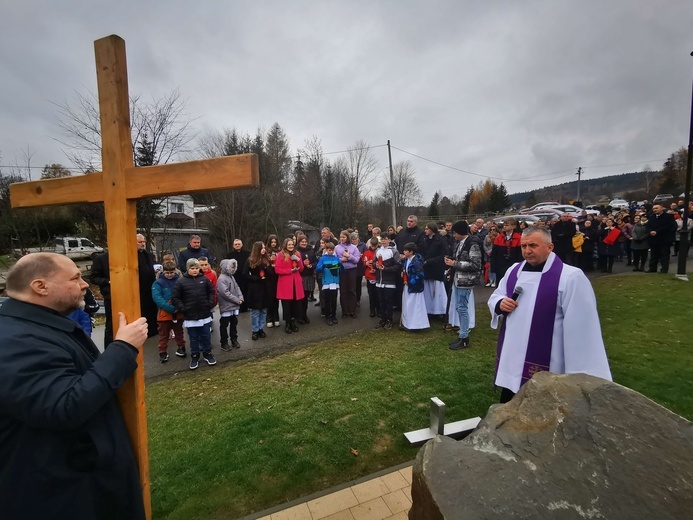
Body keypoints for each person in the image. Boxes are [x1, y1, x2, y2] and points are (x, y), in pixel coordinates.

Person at [0, 253, 148, 520]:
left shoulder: (37, 325)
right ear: (40, 286)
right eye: (75, 277)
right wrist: (123, 349)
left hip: (78, 478)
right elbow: (63, 406)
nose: (83, 284)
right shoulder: (15, 340)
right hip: (59, 493)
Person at [488, 227, 612, 403]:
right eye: (523, 246)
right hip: (513, 355)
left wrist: (580, 375)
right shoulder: (514, 271)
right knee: (510, 402)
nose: (527, 251)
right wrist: (500, 303)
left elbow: (582, 328)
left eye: (533, 245)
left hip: (548, 358)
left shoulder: (570, 277)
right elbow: (497, 295)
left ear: (550, 246)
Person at [90, 234, 158, 344]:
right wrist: (108, 281)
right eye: (140, 242)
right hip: (113, 295)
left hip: (142, 293)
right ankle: (110, 347)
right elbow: (93, 278)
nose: (143, 244)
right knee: (113, 323)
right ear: (108, 244)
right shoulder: (101, 259)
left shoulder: (141, 255)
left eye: (143, 242)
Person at [444, 221, 482, 350]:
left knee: (462, 308)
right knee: (459, 308)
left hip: (466, 281)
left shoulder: (473, 244)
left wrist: (454, 264)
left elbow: (475, 265)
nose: (453, 235)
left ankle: (464, 337)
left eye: (454, 232)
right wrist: (451, 267)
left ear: (459, 232)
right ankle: (462, 336)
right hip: (457, 279)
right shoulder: (459, 244)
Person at [172, 258, 216, 370]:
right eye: (192, 268)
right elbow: (176, 297)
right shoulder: (181, 281)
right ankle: (195, 356)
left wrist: (209, 303)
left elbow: (211, 292)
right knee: (193, 338)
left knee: (206, 336)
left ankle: (207, 353)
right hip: (190, 316)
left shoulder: (204, 279)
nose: (195, 270)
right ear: (188, 269)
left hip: (204, 314)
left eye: (197, 268)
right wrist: (183, 309)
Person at [151, 261, 187, 361]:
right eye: (167, 273)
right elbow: (157, 297)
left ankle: (181, 347)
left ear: (175, 271)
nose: (169, 275)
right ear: (163, 272)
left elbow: (184, 294)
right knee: (164, 334)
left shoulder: (180, 281)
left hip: (178, 311)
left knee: (179, 332)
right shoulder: (158, 283)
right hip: (164, 313)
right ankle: (162, 352)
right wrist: (171, 308)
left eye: (171, 272)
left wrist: (179, 307)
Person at [274, 237, 305, 334]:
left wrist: (299, 260)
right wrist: (289, 271)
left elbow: (301, 269)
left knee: (295, 304)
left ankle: (293, 322)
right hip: (286, 284)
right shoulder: (280, 255)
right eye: (289, 245)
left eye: (292, 244)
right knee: (286, 305)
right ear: (285, 245)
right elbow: (277, 270)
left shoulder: (297, 254)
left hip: (296, 283)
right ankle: (287, 324)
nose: (291, 246)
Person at [243, 241, 271, 341]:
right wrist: (256, 278)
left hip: (265, 287)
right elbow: (245, 274)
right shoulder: (250, 260)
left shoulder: (266, 259)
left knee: (263, 310)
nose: (264, 249)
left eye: (264, 247)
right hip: (255, 288)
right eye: (262, 247)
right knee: (256, 311)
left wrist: (266, 268)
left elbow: (271, 273)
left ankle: (260, 328)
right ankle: (255, 330)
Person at [401, 242, 430, 331]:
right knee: (408, 305)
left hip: (415, 288)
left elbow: (420, 275)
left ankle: (417, 325)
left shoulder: (417, 262)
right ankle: (408, 323)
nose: (404, 252)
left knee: (415, 306)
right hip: (407, 286)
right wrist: (403, 274)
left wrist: (410, 282)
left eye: (406, 250)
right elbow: (406, 270)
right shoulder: (406, 260)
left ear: (411, 252)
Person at [421, 223, 448, 317]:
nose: (425, 230)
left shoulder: (440, 240)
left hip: (436, 269)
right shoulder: (425, 240)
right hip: (427, 269)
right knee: (428, 291)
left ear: (432, 230)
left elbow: (443, 255)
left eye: (427, 229)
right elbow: (422, 251)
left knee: (437, 291)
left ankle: (441, 310)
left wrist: (430, 261)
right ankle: (429, 310)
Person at [375, 235, 401, 330]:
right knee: (381, 301)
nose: (383, 241)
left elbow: (397, 266)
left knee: (388, 301)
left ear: (389, 240)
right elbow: (374, 262)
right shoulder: (378, 251)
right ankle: (383, 319)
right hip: (379, 281)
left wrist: (385, 269)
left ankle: (389, 320)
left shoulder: (394, 251)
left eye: (385, 239)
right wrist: (375, 265)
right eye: (382, 239)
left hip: (389, 281)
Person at [217, 259, 244, 351]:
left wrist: (240, 297)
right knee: (224, 324)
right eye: (231, 266)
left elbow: (237, 287)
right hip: (226, 306)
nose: (232, 268)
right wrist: (237, 300)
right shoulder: (221, 278)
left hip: (234, 306)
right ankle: (224, 342)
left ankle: (234, 339)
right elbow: (225, 293)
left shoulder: (232, 277)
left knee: (234, 323)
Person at [334, 230, 361, 318]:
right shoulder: (337, 247)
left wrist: (349, 256)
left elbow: (357, 260)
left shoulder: (353, 247)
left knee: (352, 290)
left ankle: (352, 311)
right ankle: (345, 311)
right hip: (342, 270)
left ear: (347, 238)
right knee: (343, 291)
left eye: (344, 237)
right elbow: (334, 259)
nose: (342, 239)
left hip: (352, 270)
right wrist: (341, 259)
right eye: (341, 237)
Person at [314, 241, 342, 325]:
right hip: (327, 282)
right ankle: (328, 316)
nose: (331, 251)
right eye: (329, 250)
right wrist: (323, 266)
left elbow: (340, 270)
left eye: (332, 250)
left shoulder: (336, 258)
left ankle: (334, 315)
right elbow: (318, 269)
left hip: (335, 282)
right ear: (326, 249)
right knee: (327, 300)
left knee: (334, 300)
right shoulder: (323, 258)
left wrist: (340, 267)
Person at [647, 204, 677, 273]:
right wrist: (650, 231)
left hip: (664, 239)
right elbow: (648, 226)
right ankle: (652, 268)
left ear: (661, 208)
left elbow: (670, 227)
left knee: (664, 255)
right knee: (653, 255)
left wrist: (657, 231)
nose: (654, 210)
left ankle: (664, 269)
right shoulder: (651, 217)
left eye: (656, 208)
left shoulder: (668, 217)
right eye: (653, 208)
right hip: (654, 239)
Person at [490, 218, 522, 284]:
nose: (504, 227)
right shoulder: (499, 237)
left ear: (514, 226)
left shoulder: (519, 238)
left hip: (513, 266)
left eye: (507, 225)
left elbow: (520, 255)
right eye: (504, 225)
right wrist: (493, 267)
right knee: (500, 284)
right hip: (500, 266)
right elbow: (494, 253)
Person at [225, 239, 250, 312]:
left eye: (239, 244)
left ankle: (246, 306)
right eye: (236, 244)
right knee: (235, 292)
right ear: (233, 246)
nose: (237, 245)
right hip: (235, 276)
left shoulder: (247, 254)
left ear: (242, 245)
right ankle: (238, 306)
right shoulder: (229, 255)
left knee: (245, 291)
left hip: (245, 276)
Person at [265, 234, 282, 328]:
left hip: (277, 277)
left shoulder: (279, 251)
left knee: (276, 298)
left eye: (275, 242)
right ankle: (269, 317)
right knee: (269, 298)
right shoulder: (266, 252)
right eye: (271, 242)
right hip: (268, 277)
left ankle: (276, 317)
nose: (273, 244)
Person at [361, 237, 380, 317]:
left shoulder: (379, 252)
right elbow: (364, 263)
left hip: (377, 276)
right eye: (372, 245)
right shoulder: (367, 253)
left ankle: (379, 310)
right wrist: (367, 264)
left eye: (375, 246)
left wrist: (376, 269)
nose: (373, 247)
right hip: (369, 276)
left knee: (378, 294)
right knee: (371, 294)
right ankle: (372, 310)